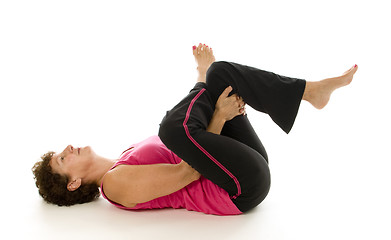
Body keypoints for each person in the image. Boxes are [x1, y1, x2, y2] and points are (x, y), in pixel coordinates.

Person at [32, 43, 358, 215]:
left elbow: (199, 147)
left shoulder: (125, 156)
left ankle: (309, 92)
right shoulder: (114, 186)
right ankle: (202, 78)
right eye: (63, 159)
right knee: (171, 130)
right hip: (238, 189)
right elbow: (187, 174)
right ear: (73, 184)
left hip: (243, 163)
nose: (68, 149)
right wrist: (217, 116)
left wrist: (215, 109)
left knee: (221, 75)